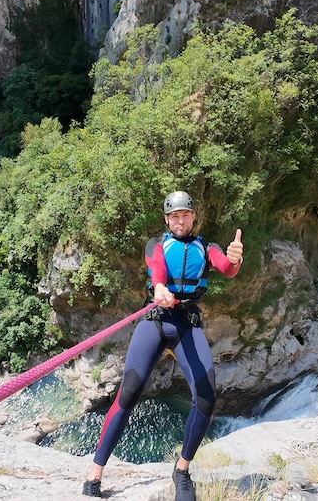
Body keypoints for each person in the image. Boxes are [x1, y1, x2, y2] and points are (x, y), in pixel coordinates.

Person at [82, 191, 244, 500]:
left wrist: (236, 259)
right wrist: (159, 287)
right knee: (128, 392)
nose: (180, 220)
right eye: (175, 216)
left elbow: (226, 268)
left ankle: (181, 469)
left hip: (186, 323)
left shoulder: (206, 248)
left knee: (206, 399)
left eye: (186, 215)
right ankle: (95, 471)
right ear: (167, 220)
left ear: (193, 217)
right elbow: (156, 266)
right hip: (156, 320)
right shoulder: (156, 244)